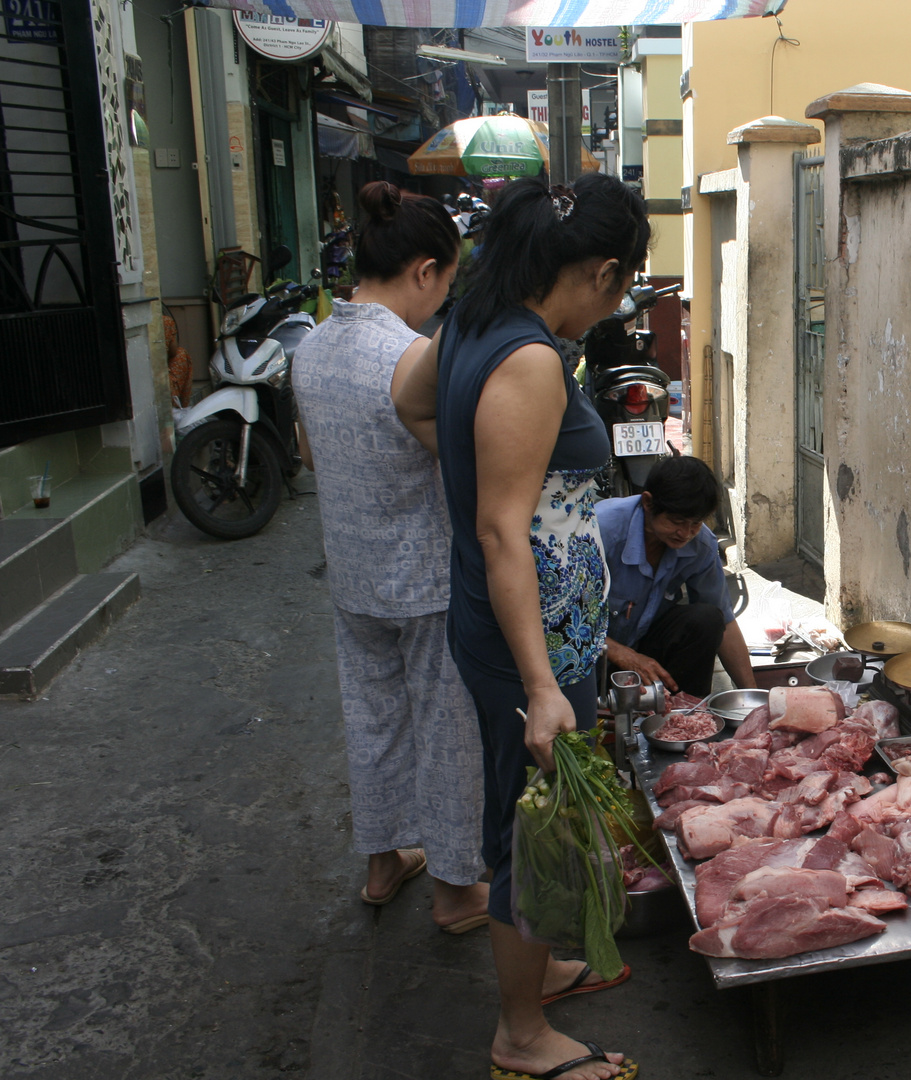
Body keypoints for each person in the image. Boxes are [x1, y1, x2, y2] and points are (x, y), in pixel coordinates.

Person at [393, 173, 644, 1080]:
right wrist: (543, 688)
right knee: (526, 828)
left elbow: (410, 401)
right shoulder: (531, 359)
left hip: (510, 623)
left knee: (542, 812)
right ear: (604, 273)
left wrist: (471, 475)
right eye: (618, 292)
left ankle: (543, 965)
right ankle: (521, 1034)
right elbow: (505, 530)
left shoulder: (466, 319)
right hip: (527, 642)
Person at [290, 181, 488, 934]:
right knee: (447, 732)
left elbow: (311, 455)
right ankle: (455, 889)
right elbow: (456, 465)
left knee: (372, 717)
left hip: (353, 573)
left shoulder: (310, 347)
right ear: (424, 270)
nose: (441, 299)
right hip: (427, 579)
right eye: (445, 280)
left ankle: (382, 864)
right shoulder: (411, 357)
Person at [598, 456, 757, 696]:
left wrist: (753, 698)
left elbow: (724, 620)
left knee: (706, 619)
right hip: (589, 653)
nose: (686, 533)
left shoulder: (700, 543)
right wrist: (623, 655)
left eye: (696, 523)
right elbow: (561, 619)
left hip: (646, 647)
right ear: (648, 503)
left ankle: (686, 718)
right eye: (677, 522)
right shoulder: (599, 530)